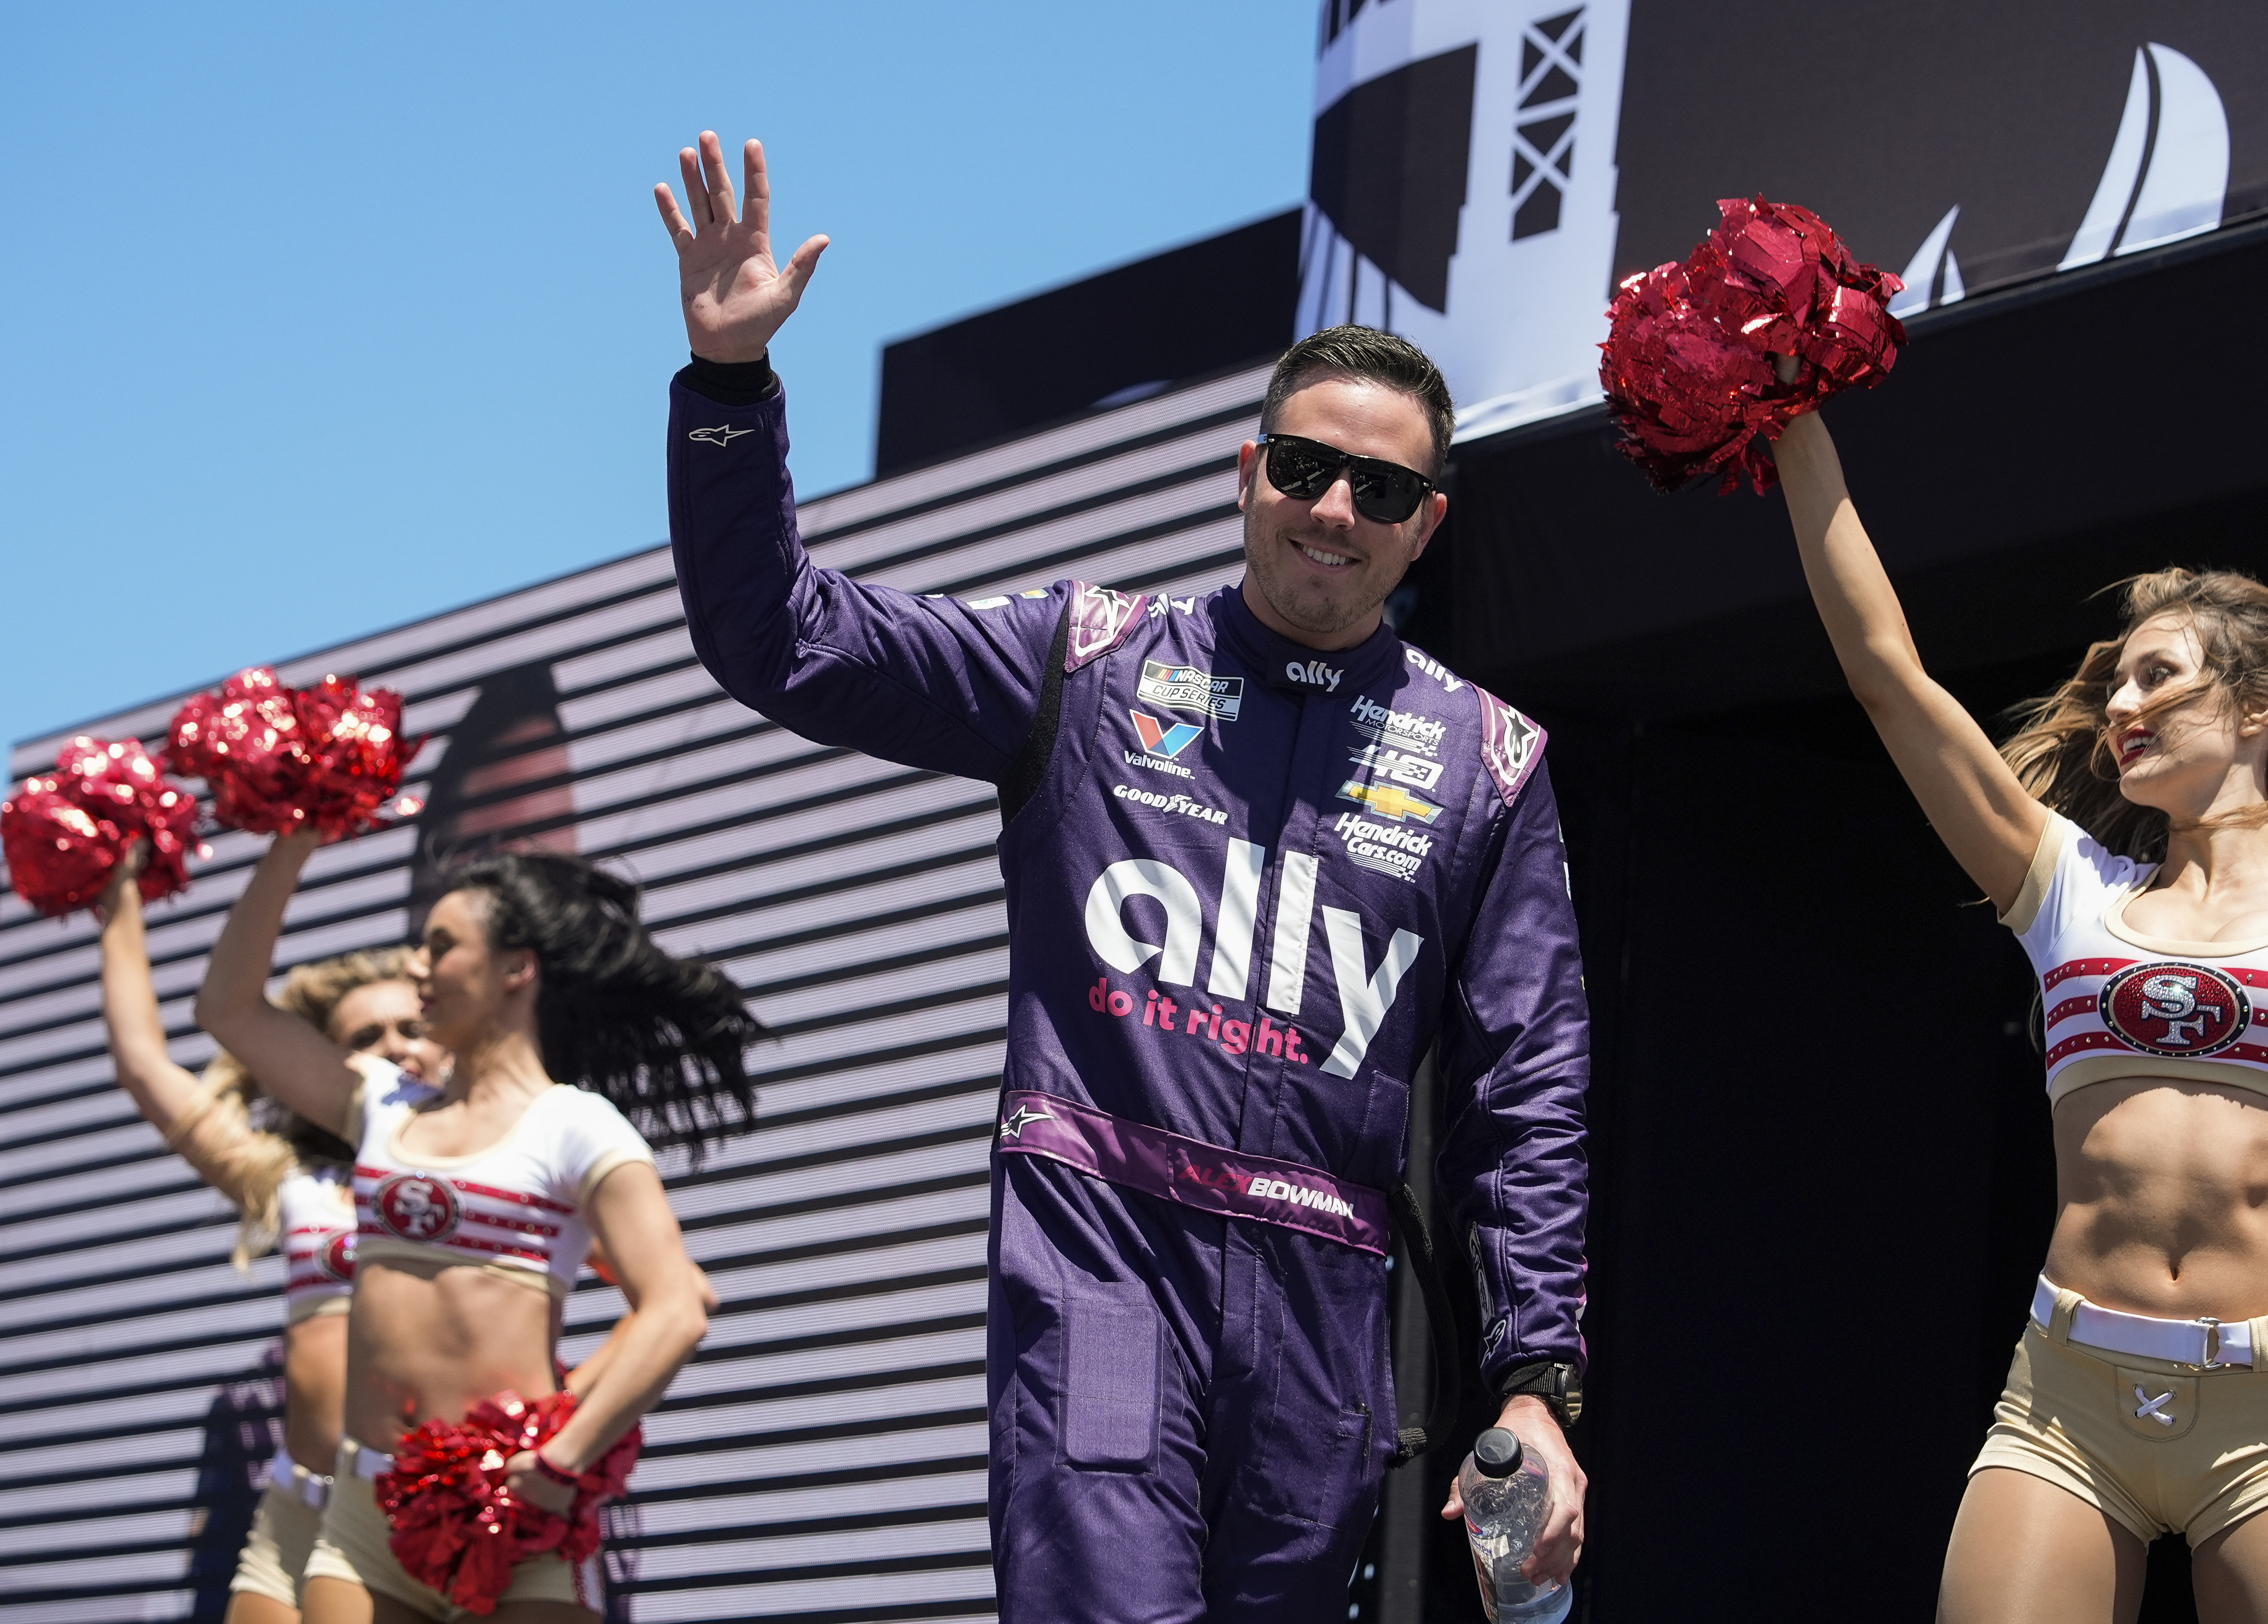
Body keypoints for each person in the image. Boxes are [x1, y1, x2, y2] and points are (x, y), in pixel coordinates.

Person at [652, 131, 1591, 1619]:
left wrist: (1535, 1379)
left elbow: (1525, 1098)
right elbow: (780, 635)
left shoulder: (1486, 760)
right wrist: (726, 396)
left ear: (1428, 523)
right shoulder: (1079, 660)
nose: (1333, 509)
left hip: (1323, 1299)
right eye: (1302, 466)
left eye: (1378, 487)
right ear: (1246, 471)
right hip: (1103, 1259)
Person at [1769, 370, 2268, 1622]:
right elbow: (1883, 673)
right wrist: (1789, 422)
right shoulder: (2064, 884)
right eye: (2112, 682)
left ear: (2254, 706)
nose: (2117, 706)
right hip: (2060, 1402)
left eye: (2155, 676)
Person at [196, 833, 758, 1624]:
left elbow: (677, 1305)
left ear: (514, 969)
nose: (415, 966)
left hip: (516, 1519)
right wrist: (294, 840)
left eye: (439, 945)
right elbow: (227, 1009)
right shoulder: (381, 1106)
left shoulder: (576, 1126)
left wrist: (560, 1459)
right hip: (367, 1516)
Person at [97, 853, 442, 1624]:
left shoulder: (504, 1159)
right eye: (365, 1034)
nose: (392, 1044)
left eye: (412, 1027)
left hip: (438, 1505)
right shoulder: (299, 1186)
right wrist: (118, 899)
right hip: (300, 1502)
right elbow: (146, 1065)